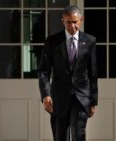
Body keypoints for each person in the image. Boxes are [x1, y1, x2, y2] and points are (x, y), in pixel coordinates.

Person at [38, 5, 98, 141]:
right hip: (58, 99)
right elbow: (43, 71)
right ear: (63, 21)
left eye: (75, 22)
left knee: (79, 136)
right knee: (60, 137)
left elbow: (93, 73)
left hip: (81, 98)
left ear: (81, 20)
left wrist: (93, 101)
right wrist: (45, 94)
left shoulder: (89, 41)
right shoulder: (52, 42)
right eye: (68, 22)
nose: (72, 26)